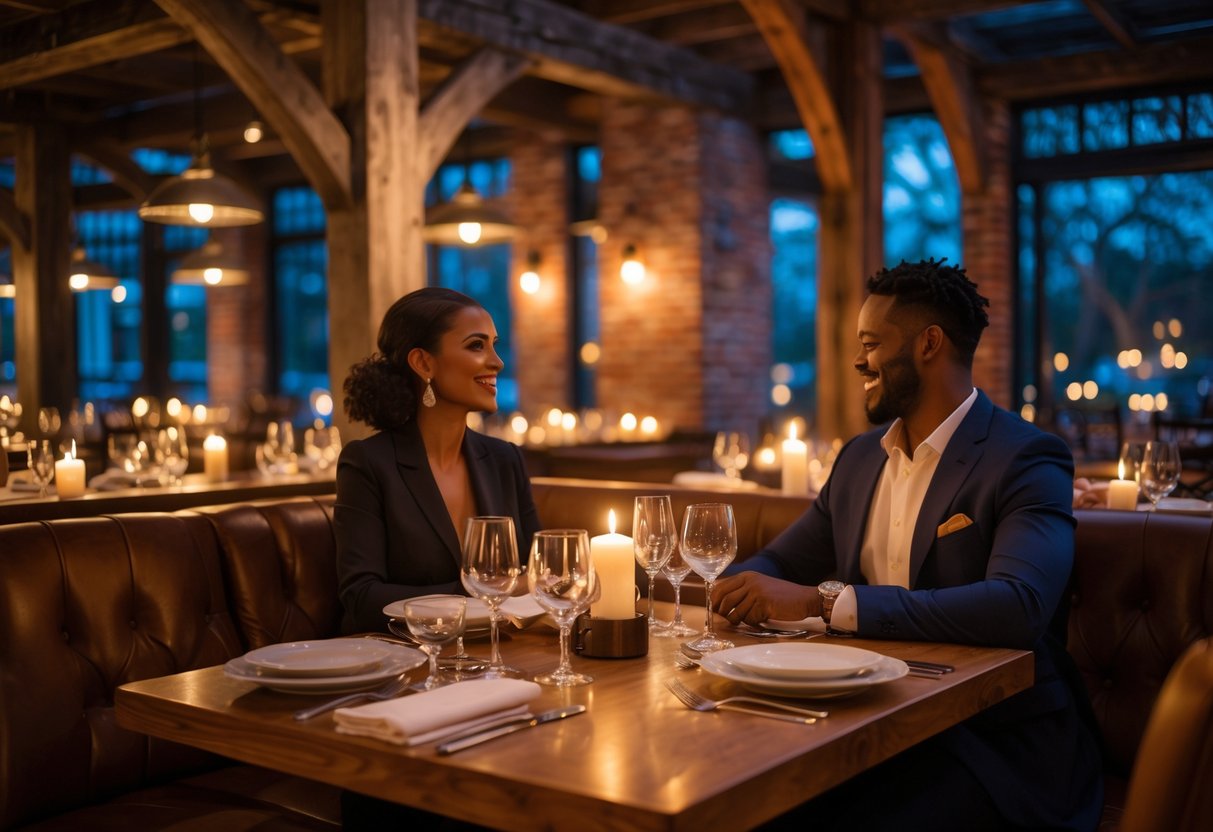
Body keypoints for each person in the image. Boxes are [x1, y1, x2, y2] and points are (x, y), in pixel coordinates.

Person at [715, 259, 1103, 831]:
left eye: (871, 344)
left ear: (929, 344)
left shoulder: (1026, 457)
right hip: (866, 722)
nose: (857, 360)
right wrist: (735, 590)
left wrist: (823, 603)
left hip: (993, 741)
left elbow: (1017, 605)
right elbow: (780, 562)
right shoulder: (857, 460)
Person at [335, 287, 540, 634]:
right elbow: (362, 596)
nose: (497, 361)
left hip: (496, 654)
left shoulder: (505, 459)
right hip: (401, 659)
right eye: (477, 345)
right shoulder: (368, 463)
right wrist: (479, 594)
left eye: (494, 344)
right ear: (423, 363)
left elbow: (539, 572)